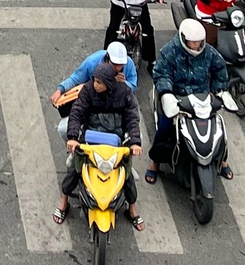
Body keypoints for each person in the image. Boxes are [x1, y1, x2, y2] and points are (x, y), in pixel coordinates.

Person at [54, 52, 144, 229]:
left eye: (99, 82)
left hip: (115, 144)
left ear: (109, 83)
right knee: (75, 168)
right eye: (95, 80)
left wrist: (135, 142)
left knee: (126, 175)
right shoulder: (88, 90)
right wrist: (73, 138)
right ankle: (64, 201)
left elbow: (132, 118)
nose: (95, 84)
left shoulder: (125, 92)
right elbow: (77, 112)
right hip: (90, 140)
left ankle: (132, 208)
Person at [147, 19, 234, 181]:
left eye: (199, 42)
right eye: (192, 42)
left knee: (218, 130)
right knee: (165, 127)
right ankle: (155, 162)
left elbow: (220, 69)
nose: (196, 46)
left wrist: (218, 90)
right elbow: (161, 74)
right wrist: (168, 94)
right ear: (183, 39)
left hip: (202, 99)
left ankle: (222, 161)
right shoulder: (169, 51)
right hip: (178, 98)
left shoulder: (208, 52)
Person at [49, 39, 131, 108]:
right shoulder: (91, 62)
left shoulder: (129, 65)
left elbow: (133, 87)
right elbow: (75, 79)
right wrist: (60, 89)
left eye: (121, 65)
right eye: (115, 64)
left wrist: (122, 85)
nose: (118, 67)